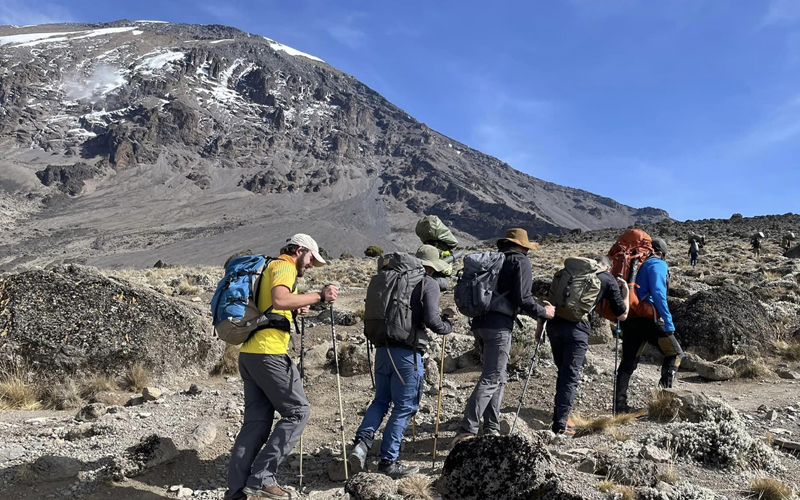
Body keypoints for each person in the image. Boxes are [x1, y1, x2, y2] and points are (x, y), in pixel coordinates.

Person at [225, 234, 339, 500]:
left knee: (255, 425)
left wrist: (296, 307)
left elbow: (276, 305)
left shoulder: (271, 267)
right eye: (311, 258)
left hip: (250, 355)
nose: (310, 265)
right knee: (298, 411)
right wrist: (319, 296)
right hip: (269, 355)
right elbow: (279, 300)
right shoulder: (285, 266)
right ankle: (262, 477)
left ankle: (236, 493)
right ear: (299, 251)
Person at [348, 245, 453, 478]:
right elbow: (433, 321)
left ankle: (362, 444)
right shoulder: (428, 283)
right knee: (404, 407)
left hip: (382, 349)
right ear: (432, 267)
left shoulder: (392, 278)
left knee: (381, 401)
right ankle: (388, 462)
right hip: (407, 353)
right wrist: (447, 326)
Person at [453, 228, 555, 445]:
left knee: (498, 376)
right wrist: (543, 312)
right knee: (492, 377)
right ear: (522, 245)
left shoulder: (494, 261)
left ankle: (491, 427)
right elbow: (523, 299)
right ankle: (466, 430)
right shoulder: (520, 262)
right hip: (499, 327)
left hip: (480, 324)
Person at [541, 256, 629, 435]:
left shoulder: (568, 273)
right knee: (570, 375)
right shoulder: (607, 278)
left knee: (563, 370)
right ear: (608, 267)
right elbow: (622, 315)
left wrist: (539, 327)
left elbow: (549, 299)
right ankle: (561, 424)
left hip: (554, 325)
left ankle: (561, 413)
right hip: (577, 329)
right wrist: (625, 292)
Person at [615, 238, 683, 414]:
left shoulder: (638, 264)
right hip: (648, 319)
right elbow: (659, 293)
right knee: (675, 353)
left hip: (631, 317)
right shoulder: (657, 264)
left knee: (628, 361)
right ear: (662, 253)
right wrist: (668, 321)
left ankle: (619, 406)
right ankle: (662, 403)